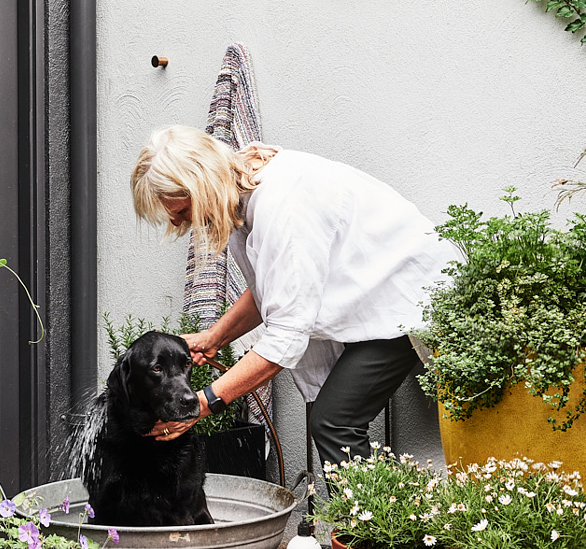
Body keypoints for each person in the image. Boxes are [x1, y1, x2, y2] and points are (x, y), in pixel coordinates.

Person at [131, 125, 455, 470]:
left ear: (202, 185)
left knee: (335, 423)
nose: (179, 223)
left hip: (407, 298)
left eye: (182, 211)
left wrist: (205, 402)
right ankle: (367, 506)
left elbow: (285, 336)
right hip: (380, 301)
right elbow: (273, 287)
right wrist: (215, 338)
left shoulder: (282, 205)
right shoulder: (245, 188)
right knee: (334, 422)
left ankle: (370, 508)